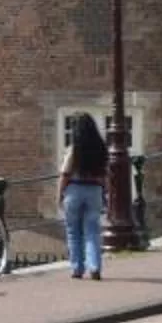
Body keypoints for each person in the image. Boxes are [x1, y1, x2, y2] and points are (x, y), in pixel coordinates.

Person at [60, 115, 108, 281]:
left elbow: (65, 174)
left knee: (73, 231)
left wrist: (59, 194)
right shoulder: (101, 149)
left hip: (74, 189)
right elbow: (105, 175)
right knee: (92, 231)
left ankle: (77, 268)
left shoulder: (74, 149)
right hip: (94, 190)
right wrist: (105, 191)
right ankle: (94, 266)